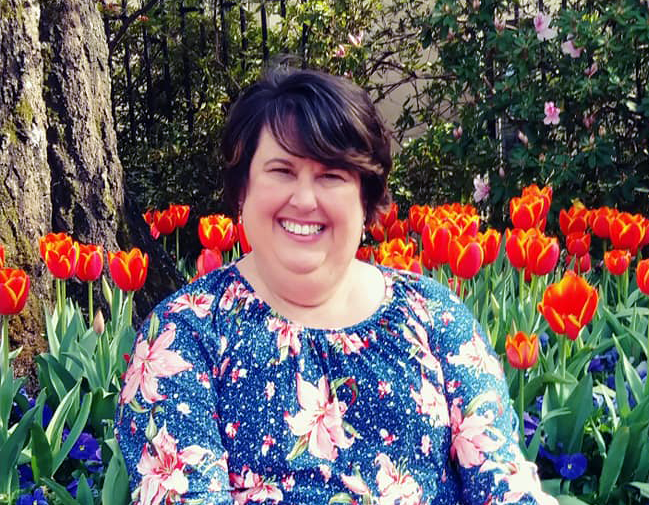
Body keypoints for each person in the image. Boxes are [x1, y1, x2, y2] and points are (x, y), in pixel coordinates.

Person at [115, 67, 558, 505]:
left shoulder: (435, 315)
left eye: (332, 175)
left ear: (365, 199)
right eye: (282, 171)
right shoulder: (183, 335)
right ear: (241, 191)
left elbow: (504, 483)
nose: (305, 199)